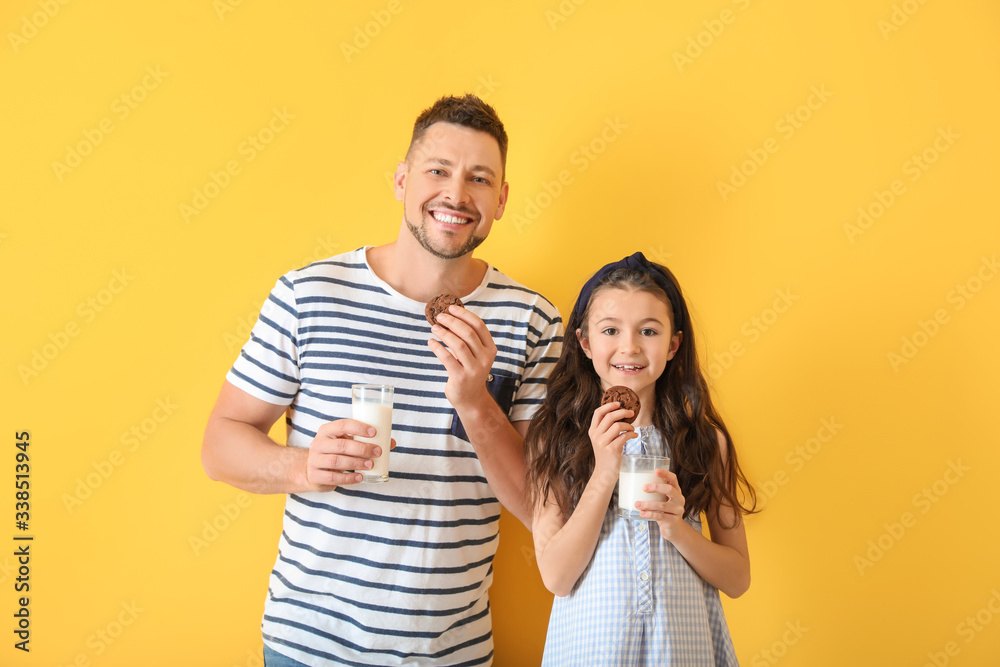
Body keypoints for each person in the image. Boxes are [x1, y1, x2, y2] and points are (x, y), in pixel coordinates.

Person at [202, 94, 563, 667]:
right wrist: (302, 466)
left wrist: (476, 405)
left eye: (480, 178)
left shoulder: (533, 321)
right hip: (306, 647)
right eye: (438, 170)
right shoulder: (308, 295)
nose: (456, 194)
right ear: (401, 180)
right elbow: (220, 444)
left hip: (449, 653)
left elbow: (539, 508)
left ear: (501, 200)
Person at [525, 252, 757, 665]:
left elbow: (738, 579)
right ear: (584, 341)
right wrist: (604, 471)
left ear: (673, 345)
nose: (629, 347)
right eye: (610, 329)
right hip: (592, 650)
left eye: (648, 331)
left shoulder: (704, 441)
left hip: (682, 649)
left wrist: (678, 529)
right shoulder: (557, 439)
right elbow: (557, 577)